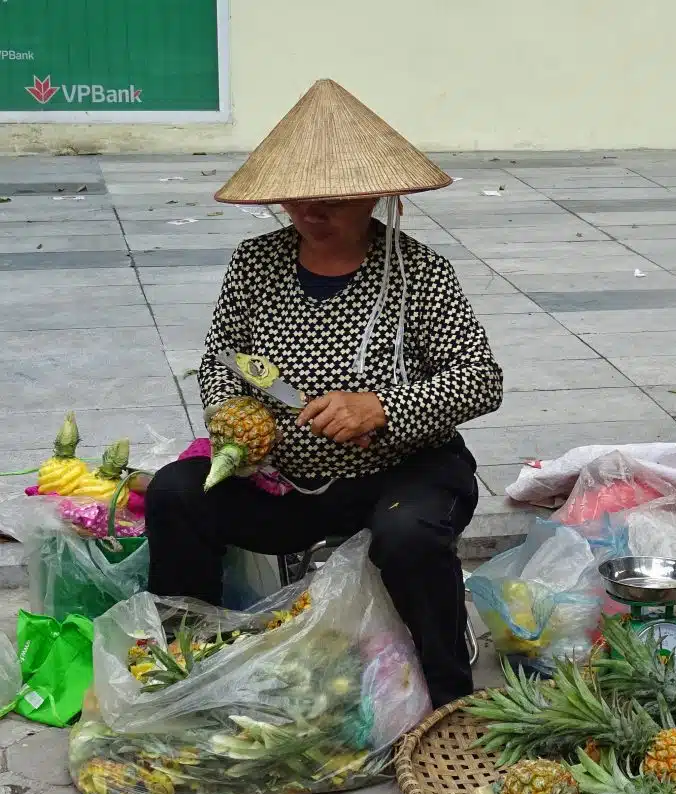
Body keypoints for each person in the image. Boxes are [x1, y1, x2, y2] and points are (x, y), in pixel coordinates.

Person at [144, 80, 503, 707]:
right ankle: (189, 667)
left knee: (411, 536)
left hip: (401, 474)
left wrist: (384, 407)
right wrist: (232, 415)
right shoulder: (255, 266)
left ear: (373, 195)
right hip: (286, 481)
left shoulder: (420, 272)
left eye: (333, 199)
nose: (312, 211)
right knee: (177, 494)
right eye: (297, 197)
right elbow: (225, 358)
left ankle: (450, 694)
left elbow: (480, 378)